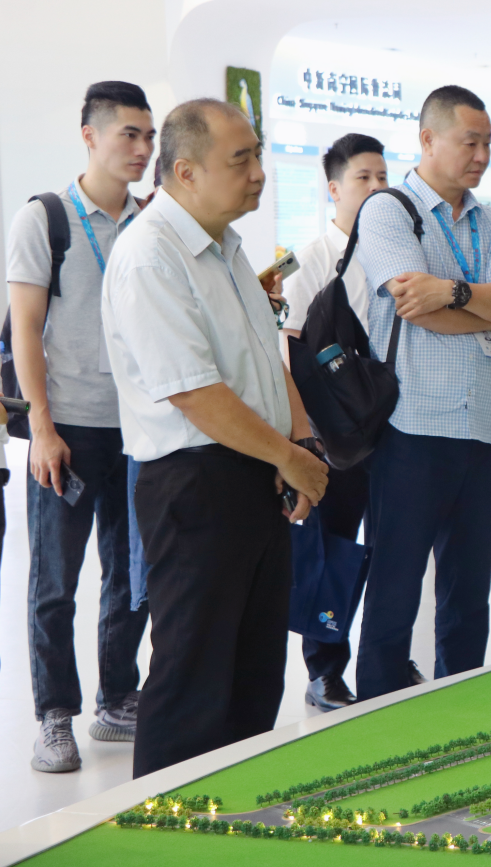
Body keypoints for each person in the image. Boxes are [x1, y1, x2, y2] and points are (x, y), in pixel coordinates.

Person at [102, 98, 329, 777]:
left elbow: (264, 360)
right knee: (191, 675)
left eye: (258, 155)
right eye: (241, 160)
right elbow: (194, 392)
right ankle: (162, 823)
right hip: (195, 483)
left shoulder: (228, 248)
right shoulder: (151, 256)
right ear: (186, 171)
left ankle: (233, 813)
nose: (258, 173)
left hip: (256, 471)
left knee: (253, 672)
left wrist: (300, 445)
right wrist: (287, 455)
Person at [353, 85, 491, 698]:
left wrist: (452, 292)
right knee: (395, 591)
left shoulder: (490, 221)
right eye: (469, 142)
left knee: (468, 595)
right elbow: (415, 308)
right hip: (411, 430)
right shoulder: (388, 211)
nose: (481, 155)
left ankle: (461, 711)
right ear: (428, 139)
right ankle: (375, 716)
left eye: (487, 143)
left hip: (481, 431)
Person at [6, 81, 155, 773]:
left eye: (149, 136)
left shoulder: (152, 220)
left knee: (130, 574)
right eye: (129, 134)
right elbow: (26, 329)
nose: (143, 148)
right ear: (90, 136)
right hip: (68, 427)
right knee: (55, 580)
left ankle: (117, 699)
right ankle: (54, 715)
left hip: (141, 428)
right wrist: (42, 427)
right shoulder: (46, 219)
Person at [281, 132, 388, 711]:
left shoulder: (395, 255)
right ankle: (324, 671)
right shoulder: (312, 261)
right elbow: (292, 354)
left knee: (392, 548)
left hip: (392, 428)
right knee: (333, 548)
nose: (375, 188)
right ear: (333, 190)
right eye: (362, 178)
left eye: (382, 177)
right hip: (336, 437)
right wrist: (309, 438)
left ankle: (384, 659)